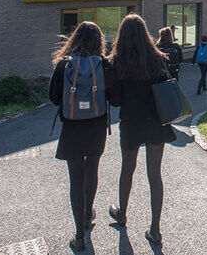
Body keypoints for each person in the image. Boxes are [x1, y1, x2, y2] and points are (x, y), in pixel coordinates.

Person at [107, 14, 175, 246]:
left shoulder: (117, 61)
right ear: (145, 33)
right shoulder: (156, 58)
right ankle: (155, 229)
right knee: (154, 175)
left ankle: (122, 213)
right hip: (156, 120)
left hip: (131, 122)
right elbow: (167, 85)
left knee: (127, 169)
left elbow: (115, 100)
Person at [49, 21, 111, 251]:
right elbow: (112, 97)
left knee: (75, 178)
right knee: (92, 169)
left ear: (74, 39)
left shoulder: (64, 65)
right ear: (99, 41)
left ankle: (79, 236)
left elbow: (54, 98)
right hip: (96, 126)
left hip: (72, 127)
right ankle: (88, 215)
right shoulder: (103, 64)